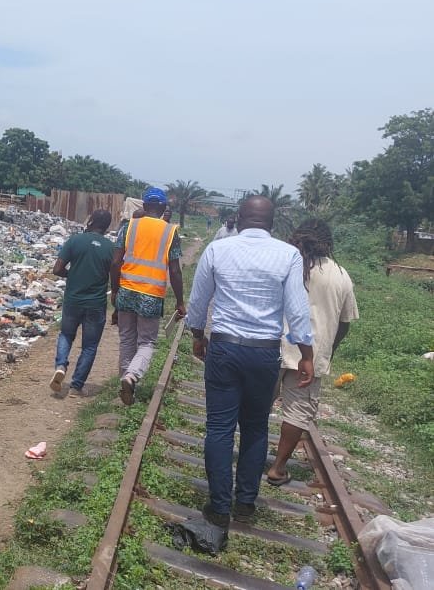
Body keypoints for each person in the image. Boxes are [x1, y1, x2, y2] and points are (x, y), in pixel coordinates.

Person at [186, 195, 314, 531]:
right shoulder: (288, 255)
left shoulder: (218, 249)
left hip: (225, 348)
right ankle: (244, 504)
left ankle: (218, 506)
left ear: (239, 218)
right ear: (272, 223)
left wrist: (198, 336)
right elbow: (298, 310)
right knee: (256, 427)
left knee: (219, 427)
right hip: (264, 353)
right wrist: (307, 355)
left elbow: (198, 300)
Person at [266, 219, 358, 486]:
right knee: (297, 413)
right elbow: (344, 324)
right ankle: (278, 467)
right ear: (328, 243)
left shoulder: (286, 263)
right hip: (312, 356)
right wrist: (327, 351)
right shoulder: (341, 276)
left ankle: (250, 455)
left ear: (298, 238)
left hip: (273, 347)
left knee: (258, 404)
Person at [109, 186, 184, 406]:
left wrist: (115, 291)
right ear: (162, 208)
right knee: (147, 342)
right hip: (151, 295)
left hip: (127, 291)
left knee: (126, 339)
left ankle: (124, 386)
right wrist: (180, 301)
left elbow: (115, 262)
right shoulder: (170, 231)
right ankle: (131, 377)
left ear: (144, 205)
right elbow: (176, 271)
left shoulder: (129, 226)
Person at [50, 209, 114, 397]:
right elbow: (114, 276)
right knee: (90, 346)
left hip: (73, 300)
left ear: (91, 220)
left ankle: (61, 365)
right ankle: (77, 386)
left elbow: (57, 269)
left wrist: (73, 275)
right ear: (107, 226)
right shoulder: (110, 248)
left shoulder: (75, 240)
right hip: (96, 303)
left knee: (66, 335)